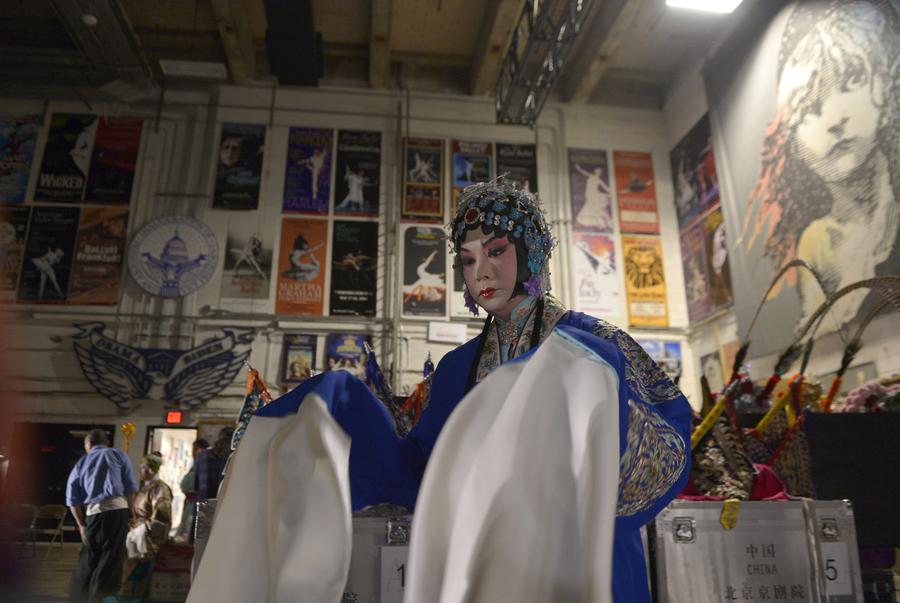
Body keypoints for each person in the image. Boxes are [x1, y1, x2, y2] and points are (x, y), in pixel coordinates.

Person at [191, 180, 691, 602]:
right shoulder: (456, 368)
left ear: (531, 252)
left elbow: (670, 439)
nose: (482, 272)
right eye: (468, 260)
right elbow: (427, 471)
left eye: (497, 252)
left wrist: (582, 398)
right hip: (480, 563)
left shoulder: (596, 344)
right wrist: (346, 419)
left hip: (586, 557)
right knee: (336, 397)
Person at [739, 1, 900, 330]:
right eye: (807, 110)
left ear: (881, 88)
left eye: (850, 82)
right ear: (792, 145)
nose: (834, 120)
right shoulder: (818, 245)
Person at [66, 428, 138, 603]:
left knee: (89, 558)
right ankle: (100, 599)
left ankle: (78, 598)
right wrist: (131, 513)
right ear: (106, 443)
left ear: (88, 444)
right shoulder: (118, 455)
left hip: (93, 515)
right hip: (117, 512)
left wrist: (82, 526)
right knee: (110, 560)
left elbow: (72, 500)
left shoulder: (81, 463)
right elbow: (130, 488)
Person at [120, 452, 173, 600]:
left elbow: (162, 518)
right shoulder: (146, 487)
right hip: (136, 535)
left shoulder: (160, 489)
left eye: (141, 467)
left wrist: (143, 530)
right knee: (130, 579)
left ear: (149, 469)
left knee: (138, 579)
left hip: (146, 541)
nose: (139, 471)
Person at [176, 439, 208, 542]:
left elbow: (187, 484)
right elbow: (184, 485)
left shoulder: (204, 465)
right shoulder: (195, 466)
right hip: (191, 503)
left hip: (199, 503)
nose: (193, 452)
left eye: (196, 449)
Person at [193, 427, 234, 503]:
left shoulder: (202, 455)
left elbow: (196, 485)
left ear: (219, 438)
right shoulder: (234, 457)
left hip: (204, 504)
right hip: (225, 504)